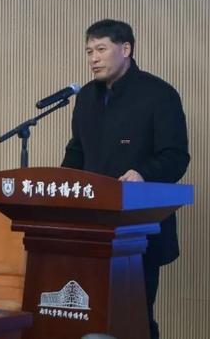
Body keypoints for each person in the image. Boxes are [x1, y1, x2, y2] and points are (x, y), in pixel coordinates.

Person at [62, 19, 190, 339]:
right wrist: (60, 186)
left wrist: (143, 174)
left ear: (126, 49)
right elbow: (77, 152)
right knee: (89, 315)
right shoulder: (87, 96)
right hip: (91, 227)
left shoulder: (159, 94)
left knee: (135, 318)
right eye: (89, 51)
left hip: (139, 228)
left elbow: (176, 156)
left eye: (101, 49)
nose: (93, 58)